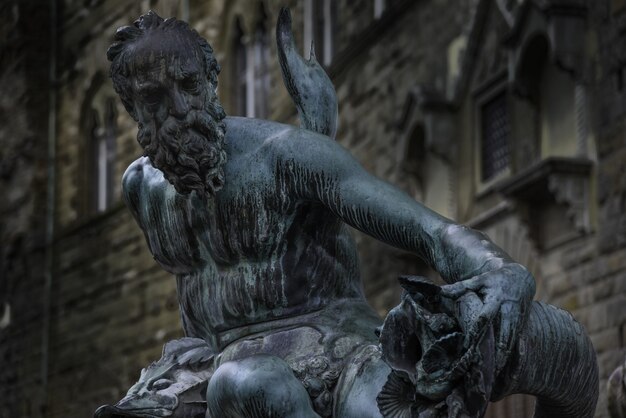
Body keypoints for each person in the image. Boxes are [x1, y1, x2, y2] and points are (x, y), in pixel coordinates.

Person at [107, 11, 535, 418]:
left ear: (212, 80)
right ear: (131, 108)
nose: (180, 108)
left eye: (188, 84)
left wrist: (496, 266)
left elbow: (428, 231)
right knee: (244, 383)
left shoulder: (283, 156)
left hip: (336, 351)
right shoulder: (141, 190)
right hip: (218, 368)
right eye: (155, 98)